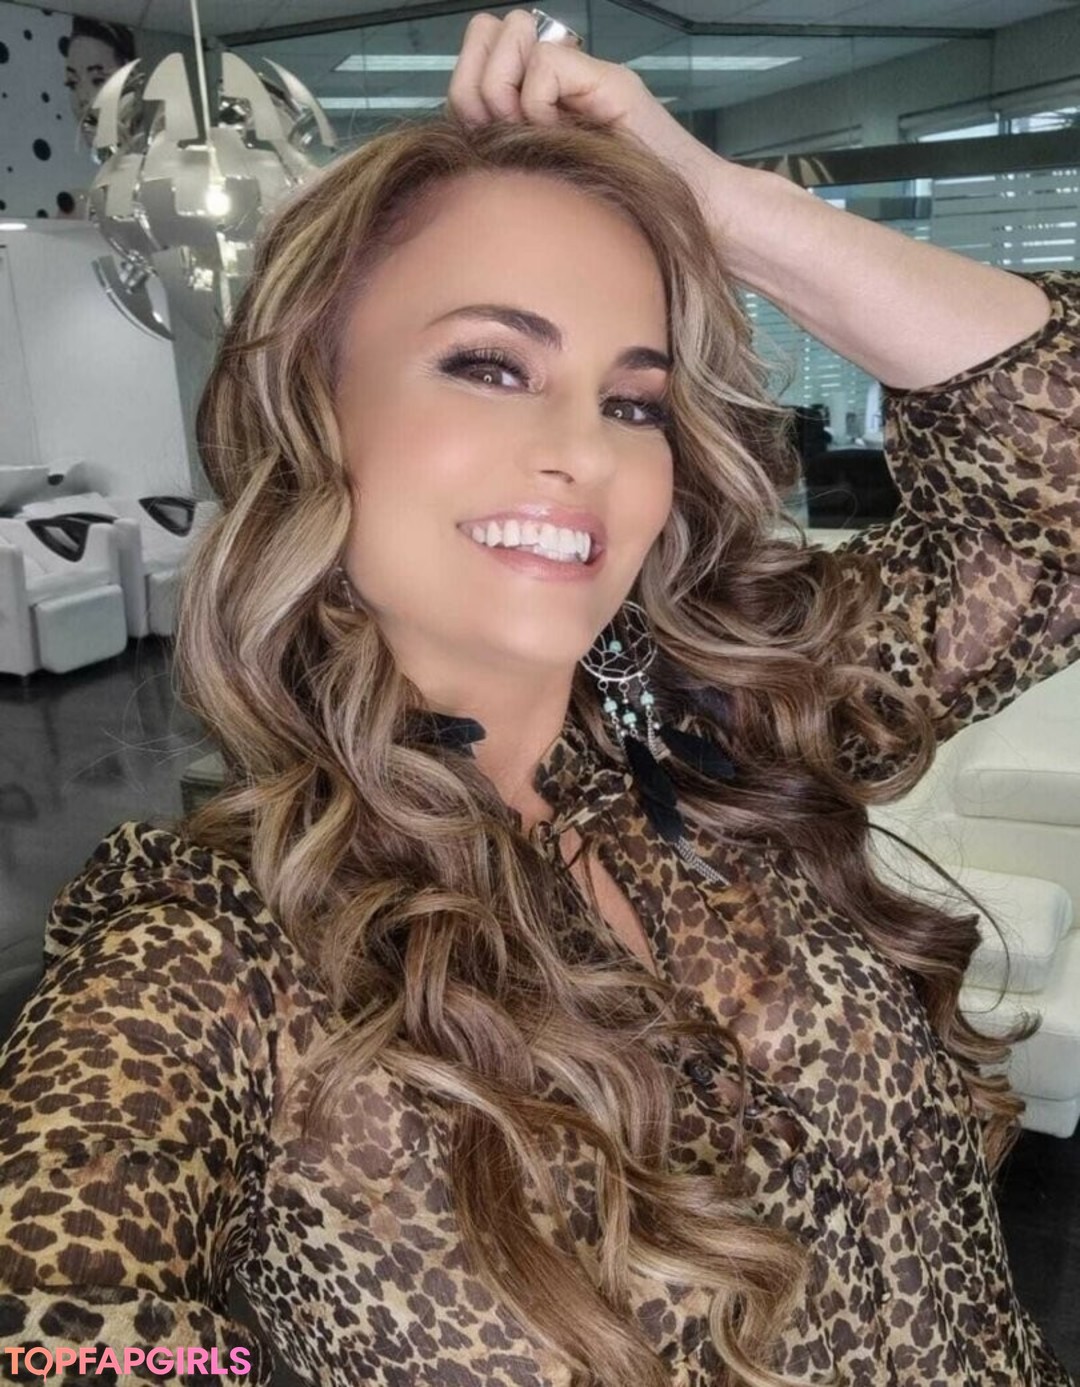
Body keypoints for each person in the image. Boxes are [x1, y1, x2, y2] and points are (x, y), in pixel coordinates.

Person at [1, 9, 1077, 1385]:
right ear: (315, 416)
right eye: (490, 365)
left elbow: (1056, 489)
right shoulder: (216, 959)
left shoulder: (725, 735)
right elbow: (55, 1340)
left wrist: (722, 207)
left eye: (634, 401)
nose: (582, 450)